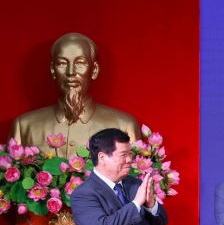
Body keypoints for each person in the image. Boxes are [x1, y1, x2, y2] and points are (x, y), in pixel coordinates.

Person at [10, 32, 139, 157]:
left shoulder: (124, 126)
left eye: (80, 63)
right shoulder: (24, 126)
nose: (71, 72)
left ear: (94, 70)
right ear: (52, 70)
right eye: (62, 63)